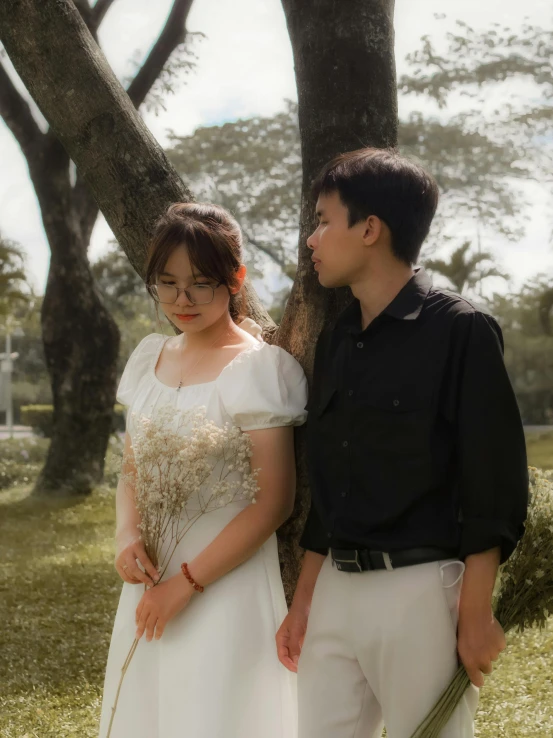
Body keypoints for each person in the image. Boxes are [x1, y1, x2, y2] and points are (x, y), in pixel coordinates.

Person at [276, 148, 529, 738]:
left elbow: (493, 483)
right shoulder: (338, 338)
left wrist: (474, 612)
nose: (312, 239)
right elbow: (330, 489)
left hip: (420, 593)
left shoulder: (460, 329)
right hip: (337, 589)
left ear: (369, 229)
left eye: (322, 221)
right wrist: (305, 601)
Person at [98, 202, 307, 738]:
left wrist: (186, 584)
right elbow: (131, 469)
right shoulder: (150, 358)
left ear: (236, 279)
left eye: (200, 284)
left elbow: (273, 502)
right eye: (167, 284)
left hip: (223, 587)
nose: (181, 300)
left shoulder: (260, 368)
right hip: (148, 586)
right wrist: (126, 538)